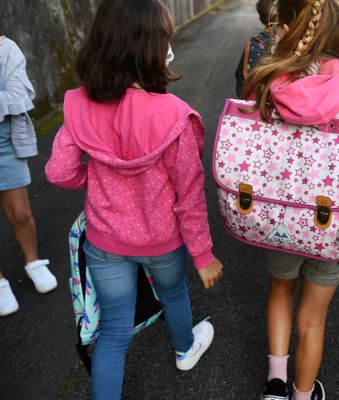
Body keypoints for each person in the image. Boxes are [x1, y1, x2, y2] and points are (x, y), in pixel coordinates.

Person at [45, 0, 223, 398]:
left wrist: (95, 178)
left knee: (114, 329)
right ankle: (184, 348)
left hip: (105, 241)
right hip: (163, 242)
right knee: (174, 294)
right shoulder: (175, 115)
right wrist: (203, 255)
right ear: (153, 49)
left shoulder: (78, 104)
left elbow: (58, 172)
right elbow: (189, 195)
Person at [240, 0, 339, 398]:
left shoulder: (268, 83)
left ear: (290, 29)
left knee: (280, 290)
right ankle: (303, 394)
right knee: (313, 319)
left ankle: (274, 384)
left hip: (278, 216)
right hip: (333, 225)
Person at [0, 36, 57, 317]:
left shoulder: (6, 48)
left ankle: (33, 262)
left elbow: (20, 97)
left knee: (21, 213)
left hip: (5, 141)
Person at [235, 0, 273, 97]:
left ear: (260, 19)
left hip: (255, 106)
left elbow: (241, 78)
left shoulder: (253, 44)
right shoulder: (294, 44)